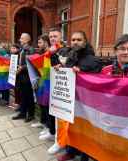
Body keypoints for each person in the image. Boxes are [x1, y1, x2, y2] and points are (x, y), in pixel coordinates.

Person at [56, 31, 101, 161]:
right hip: (71, 99)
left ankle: (84, 156)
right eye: (73, 39)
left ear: (85, 42)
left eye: (79, 40)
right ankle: (70, 151)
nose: (75, 42)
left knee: (85, 129)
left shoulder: (93, 60)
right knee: (71, 126)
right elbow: (68, 72)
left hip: (86, 102)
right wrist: (61, 68)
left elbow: (97, 80)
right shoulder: (71, 56)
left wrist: (82, 73)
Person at [38, 28, 64, 155]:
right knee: (50, 110)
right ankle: (52, 132)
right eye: (51, 36)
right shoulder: (50, 51)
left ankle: (59, 140)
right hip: (48, 84)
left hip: (60, 88)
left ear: (60, 37)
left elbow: (65, 67)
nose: (53, 38)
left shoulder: (63, 50)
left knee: (58, 114)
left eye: (55, 36)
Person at [12, 33, 35, 122]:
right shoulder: (22, 49)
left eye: (22, 38)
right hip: (21, 76)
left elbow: (32, 63)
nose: (20, 40)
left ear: (27, 40)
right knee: (22, 95)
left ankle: (31, 114)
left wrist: (21, 68)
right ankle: (22, 113)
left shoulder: (31, 49)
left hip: (28, 77)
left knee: (29, 96)